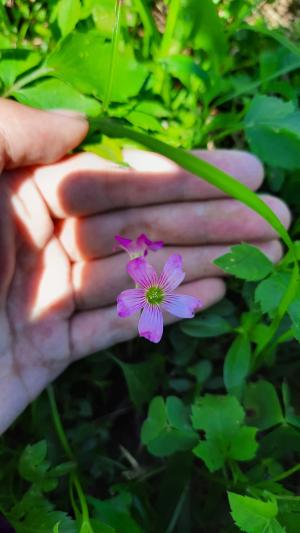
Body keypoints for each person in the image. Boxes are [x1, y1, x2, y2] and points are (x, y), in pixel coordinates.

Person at [0, 98, 290, 434]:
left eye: (154, 293)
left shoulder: (153, 284)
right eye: (152, 293)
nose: (153, 294)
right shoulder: (144, 284)